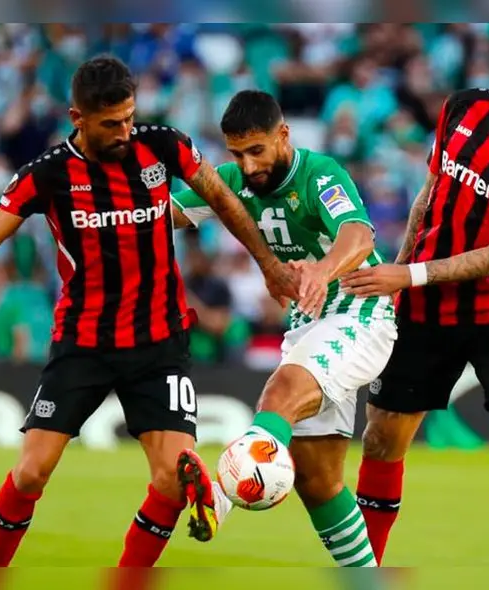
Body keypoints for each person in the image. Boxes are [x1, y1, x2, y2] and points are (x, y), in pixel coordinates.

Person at [0, 55, 300, 568]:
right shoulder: (49, 174)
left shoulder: (163, 145)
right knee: (31, 472)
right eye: (111, 123)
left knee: (169, 482)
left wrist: (269, 265)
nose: (125, 131)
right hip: (84, 341)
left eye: (129, 117)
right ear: (78, 118)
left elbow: (225, 200)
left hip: (159, 342)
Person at [339, 24, 489, 567]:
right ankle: (363, 575)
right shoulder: (463, 108)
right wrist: (400, 274)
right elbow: (429, 195)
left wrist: (410, 276)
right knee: (382, 441)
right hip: (422, 304)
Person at [170, 90, 397, 567]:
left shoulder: (321, 174)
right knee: (318, 483)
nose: (249, 166)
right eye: (237, 154)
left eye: (257, 150)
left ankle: (220, 497)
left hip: (360, 312)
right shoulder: (232, 182)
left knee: (281, 393)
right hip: (307, 325)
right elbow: (161, 214)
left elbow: (358, 234)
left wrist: (323, 270)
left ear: (283, 135)